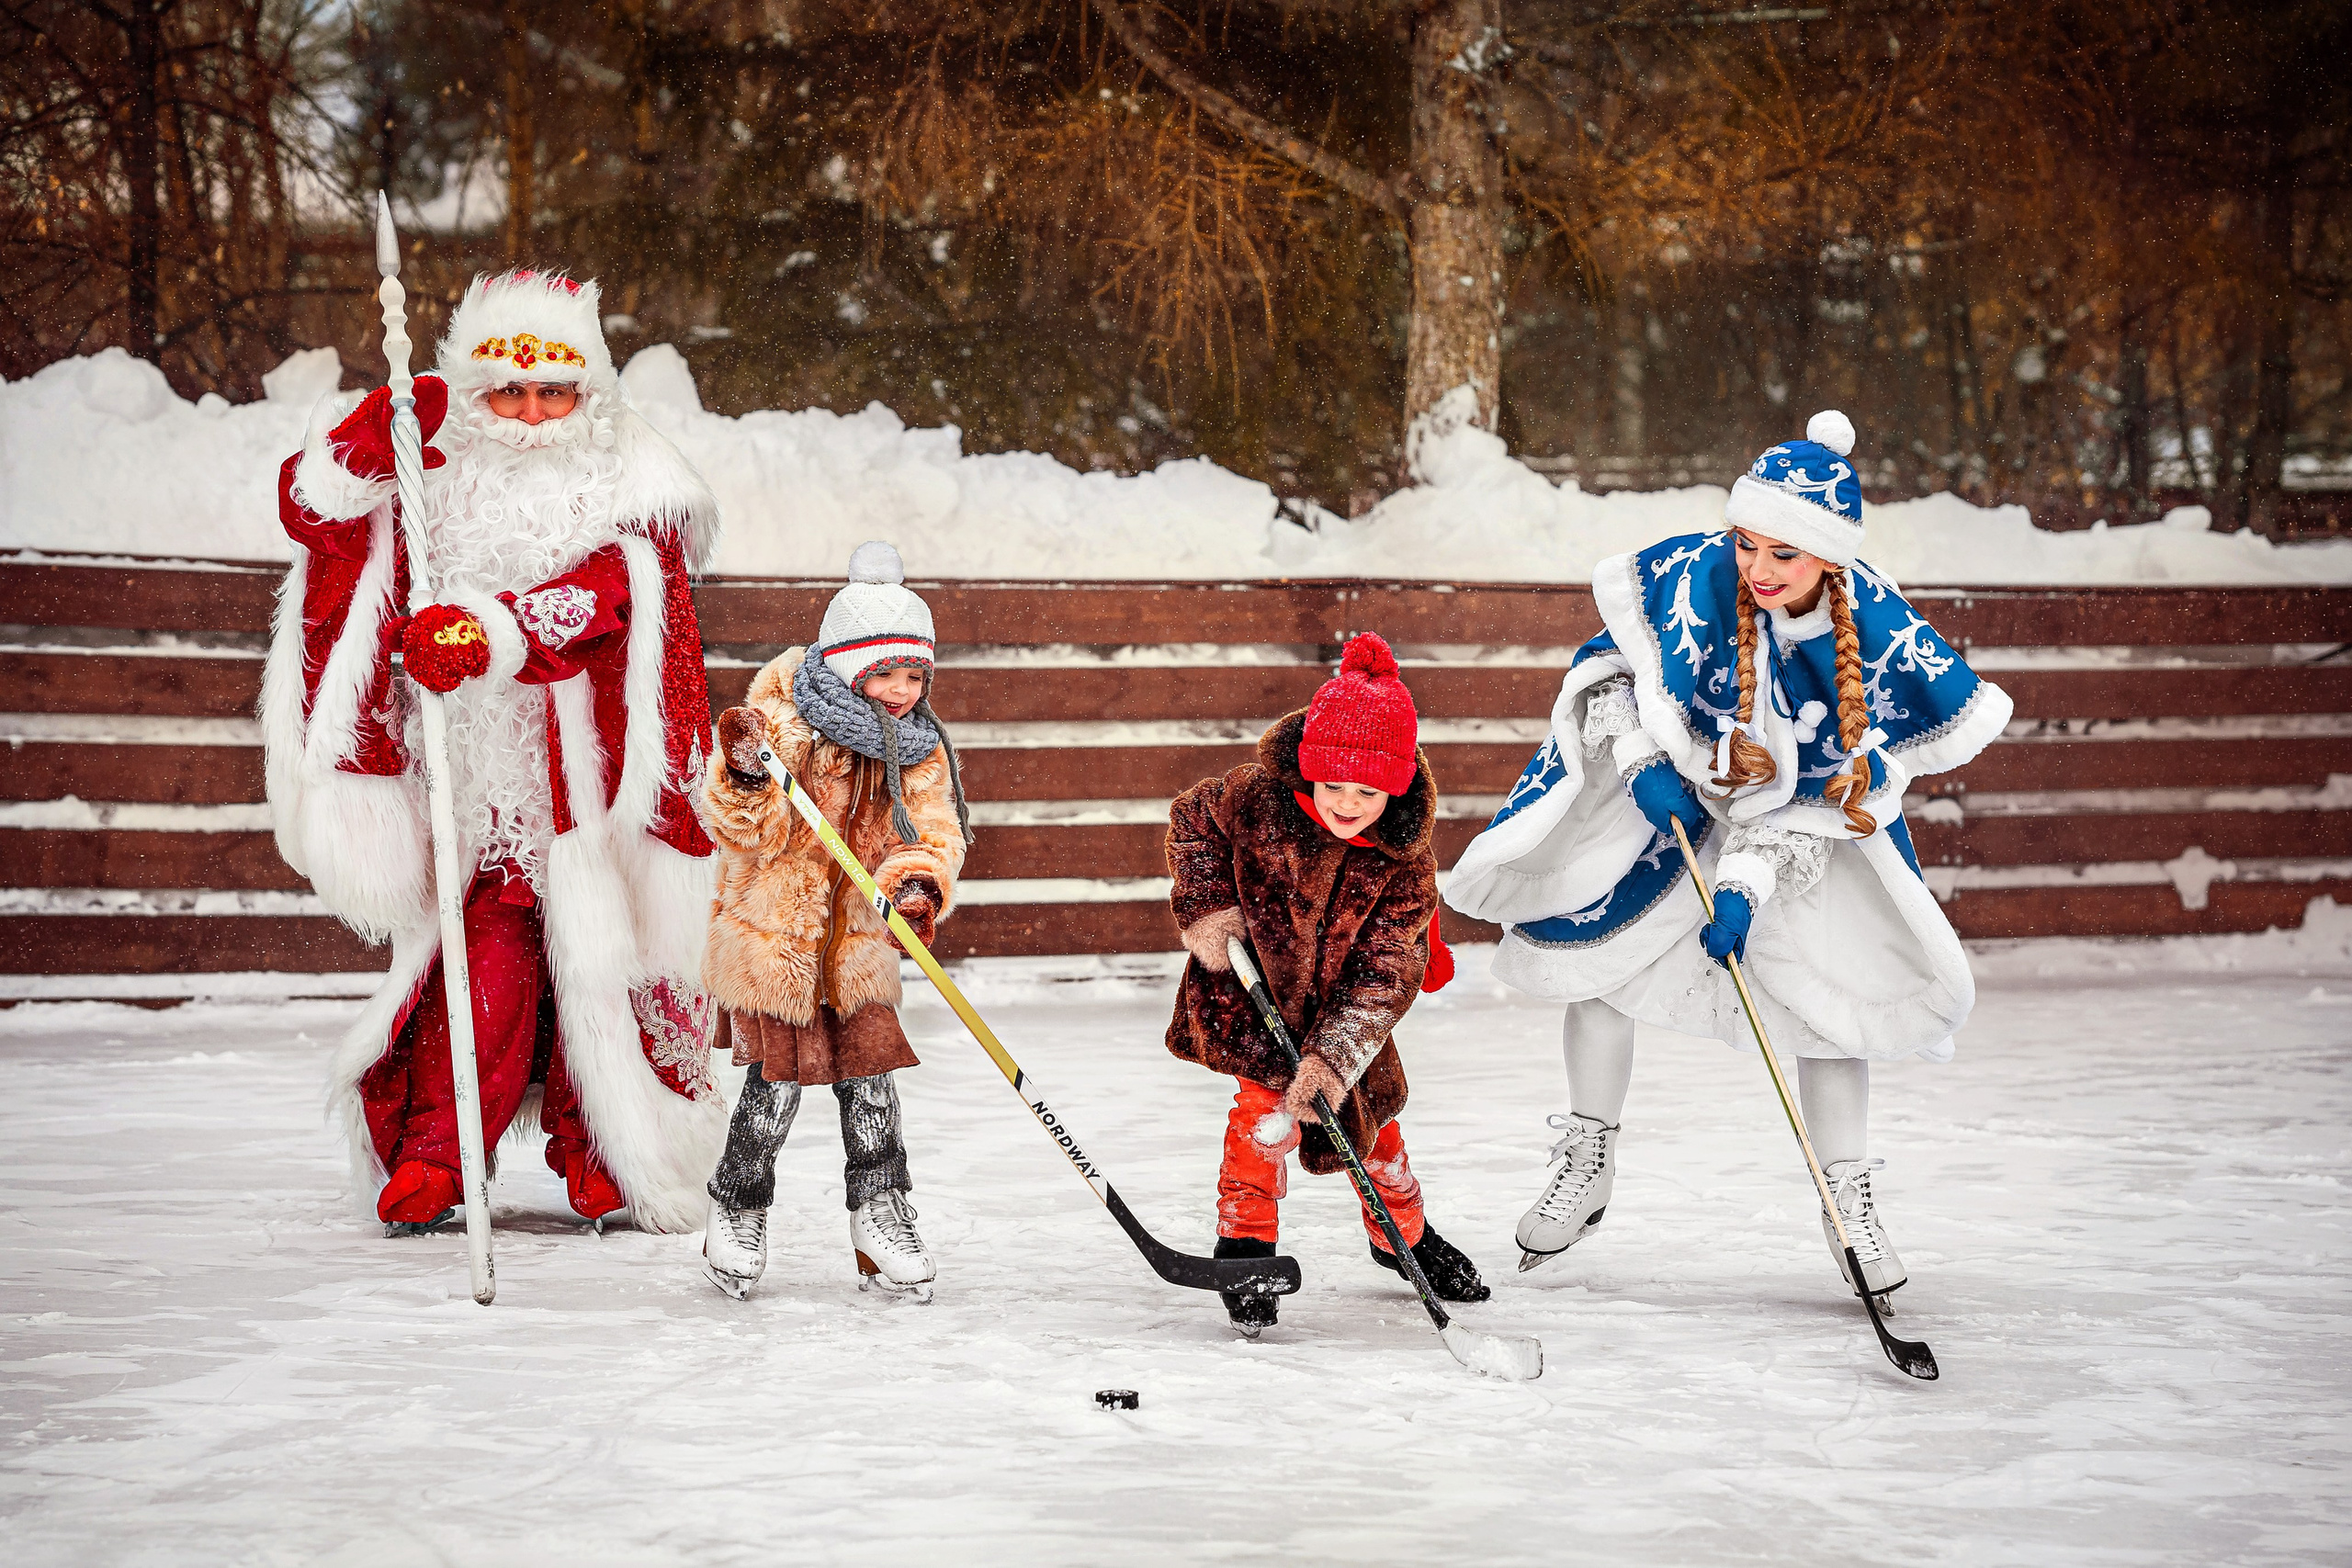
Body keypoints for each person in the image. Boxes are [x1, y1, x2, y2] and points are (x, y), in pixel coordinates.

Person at [1446, 410, 2012, 1302]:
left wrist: (1744, 888)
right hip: (1669, 796)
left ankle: (1845, 1199)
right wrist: (1637, 765)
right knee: (1595, 963)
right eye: (1747, 545)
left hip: (1803, 832)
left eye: (1783, 555)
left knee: (1834, 1013)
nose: (1757, 570)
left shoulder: (1861, 642)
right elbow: (1608, 673)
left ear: (1829, 557)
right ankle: (1588, 1151)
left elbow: (1809, 799)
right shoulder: (1695, 576)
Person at [261, 267, 728, 1234]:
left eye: (554, 391)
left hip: (592, 779)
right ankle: (440, 1151)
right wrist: (368, 438)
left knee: (603, 956)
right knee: (491, 965)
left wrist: (494, 632)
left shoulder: (634, 477)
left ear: (588, 394)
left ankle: (603, 1148)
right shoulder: (435, 465)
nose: (529, 411)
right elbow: (322, 520)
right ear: (471, 393)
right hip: (477, 774)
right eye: (505, 391)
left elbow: (618, 595)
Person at [1163, 632, 1481, 1337]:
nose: (1344, 802)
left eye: (1366, 791)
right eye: (1332, 784)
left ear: (1393, 787)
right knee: (1258, 1122)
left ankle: (1403, 1234)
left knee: (1375, 1130)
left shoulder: (1404, 863)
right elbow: (1192, 819)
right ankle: (1244, 1246)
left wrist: (1334, 1058)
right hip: (1254, 1000)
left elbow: (1387, 971)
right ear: (1309, 767)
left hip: (1341, 1020)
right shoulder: (1258, 798)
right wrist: (1211, 906)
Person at [695, 541, 973, 1302]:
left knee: (872, 1083)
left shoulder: (916, 748)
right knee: (773, 1090)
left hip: (856, 947)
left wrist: (915, 883)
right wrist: (748, 775)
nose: (902, 689)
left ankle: (880, 1211)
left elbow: (933, 829)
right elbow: (741, 829)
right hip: (776, 940)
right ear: (848, 663)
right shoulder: (785, 721)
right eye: (885, 671)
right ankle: (738, 1204)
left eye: (915, 673)